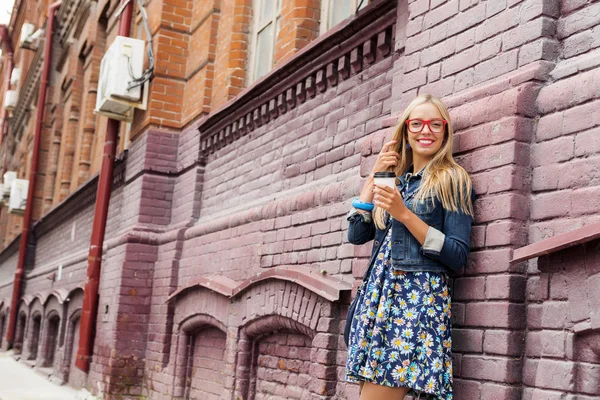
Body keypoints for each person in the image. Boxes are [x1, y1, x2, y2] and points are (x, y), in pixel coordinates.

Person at [344, 94, 476, 400]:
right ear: (405, 131)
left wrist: (404, 214)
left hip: (414, 302)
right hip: (378, 298)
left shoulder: (452, 179)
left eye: (434, 124)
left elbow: (457, 254)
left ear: (445, 131)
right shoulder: (396, 182)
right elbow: (356, 233)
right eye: (416, 123)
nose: (425, 130)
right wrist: (374, 179)